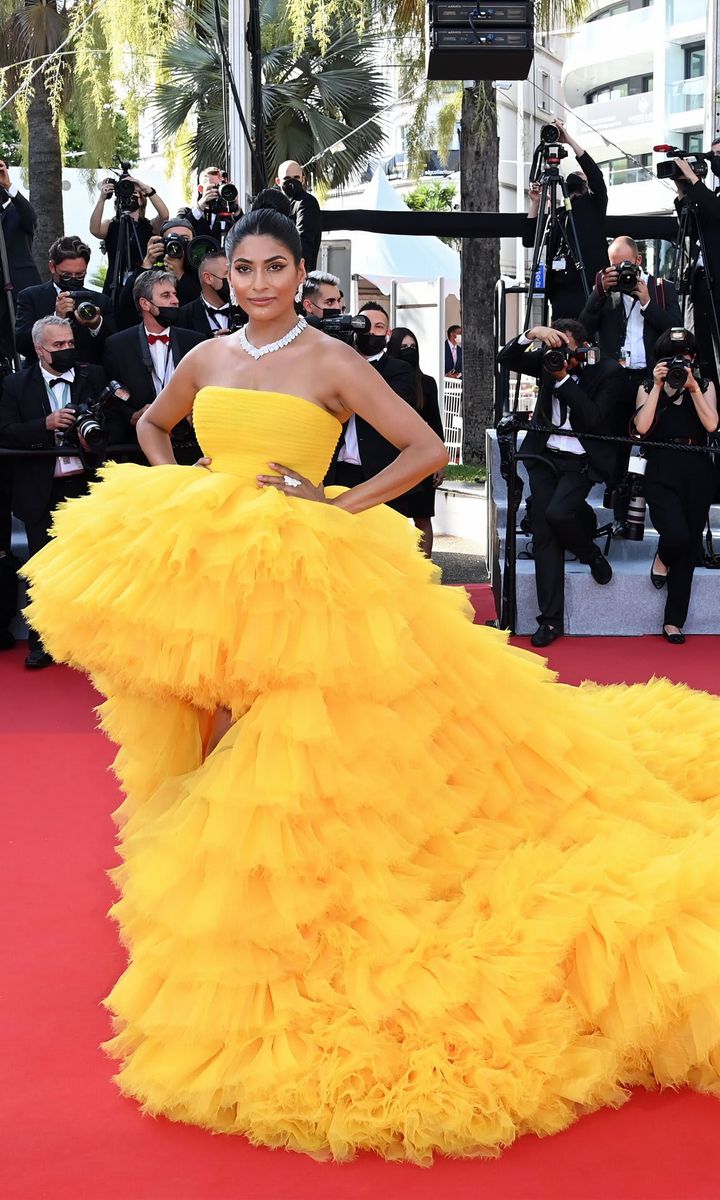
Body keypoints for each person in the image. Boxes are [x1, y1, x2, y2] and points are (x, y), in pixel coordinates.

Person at [21, 202, 720, 1164]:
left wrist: (337, 504)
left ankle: (284, 907)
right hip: (211, 565)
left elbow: (427, 449)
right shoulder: (207, 355)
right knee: (208, 717)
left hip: (307, 572)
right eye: (245, 268)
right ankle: (214, 908)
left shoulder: (334, 361)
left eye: (276, 268)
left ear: (300, 273)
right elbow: (151, 421)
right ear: (224, 273)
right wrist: (178, 482)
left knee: (291, 736)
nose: (259, 283)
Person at [0, 315, 122, 667]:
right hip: (41, 490)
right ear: (39, 350)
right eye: (58, 346)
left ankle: (99, 644)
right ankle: (44, 642)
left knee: (97, 569)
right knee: (44, 572)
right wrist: (45, 425)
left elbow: (115, 424)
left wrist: (93, 434)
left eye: (70, 343)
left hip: (87, 487)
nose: (67, 350)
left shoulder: (93, 376)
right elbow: (6, 430)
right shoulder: (15, 385)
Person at [498, 318, 625, 647]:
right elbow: (506, 359)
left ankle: (589, 551)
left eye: (564, 349)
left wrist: (565, 379)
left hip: (581, 461)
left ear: (582, 348)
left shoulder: (606, 372)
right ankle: (550, 621)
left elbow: (594, 418)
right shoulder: (546, 361)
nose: (557, 355)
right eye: (552, 347)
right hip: (544, 456)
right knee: (544, 535)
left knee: (558, 515)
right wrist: (531, 334)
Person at [579, 236, 682, 530]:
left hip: (651, 380)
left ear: (638, 261)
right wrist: (599, 291)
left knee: (654, 445)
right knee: (616, 447)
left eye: (624, 264)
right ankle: (620, 515)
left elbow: (675, 331)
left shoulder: (662, 290)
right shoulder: (606, 293)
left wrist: (646, 301)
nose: (619, 270)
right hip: (616, 380)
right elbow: (583, 328)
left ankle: (660, 513)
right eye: (612, 265)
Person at [633, 328, 718, 643]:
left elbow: (711, 424)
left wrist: (693, 387)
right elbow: (641, 428)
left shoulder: (705, 385)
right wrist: (657, 385)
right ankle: (663, 558)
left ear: (694, 359)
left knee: (691, 542)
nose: (679, 364)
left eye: (685, 358)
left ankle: (673, 622)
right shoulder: (646, 385)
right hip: (661, 465)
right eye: (672, 360)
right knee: (676, 533)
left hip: (697, 466)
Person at [102, 271, 205, 463]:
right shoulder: (117, 345)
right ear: (145, 304)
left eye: (174, 294)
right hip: (138, 452)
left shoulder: (195, 341)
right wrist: (133, 416)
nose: (175, 300)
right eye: (166, 295)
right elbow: (112, 394)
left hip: (190, 449)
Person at [324, 301, 417, 489]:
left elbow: (387, 410)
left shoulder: (399, 370)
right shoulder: (334, 365)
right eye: (364, 324)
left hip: (377, 472)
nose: (371, 332)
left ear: (388, 334)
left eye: (379, 327)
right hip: (333, 468)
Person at [523, 118, 608, 319]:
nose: (576, 180)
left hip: (587, 289)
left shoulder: (593, 207)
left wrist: (568, 140)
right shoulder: (558, 214)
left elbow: (596, 176)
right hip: (560, 295)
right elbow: (529, 240)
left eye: (581, 179)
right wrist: (536, 204)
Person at [386, 326, 446, 556]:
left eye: (413, 347)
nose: (409, 351)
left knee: (422, 517)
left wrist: (439, 463)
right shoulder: (383, 382)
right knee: (393, 518)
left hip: (421, 460)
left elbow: (435, 423)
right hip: (392, 458)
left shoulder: (427, 383)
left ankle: (425, 570)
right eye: (403, 347)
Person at [15, 235, 116, 365]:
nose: (73, 279)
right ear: (52, 267)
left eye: (80, 274)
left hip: (89, 377)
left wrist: (96, 325)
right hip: (43, 375)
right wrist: (56, 318)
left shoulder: (101, 301)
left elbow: (115, 347)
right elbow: (22, 345)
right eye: (66, 275)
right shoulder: (30, 297)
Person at [673, 145, 720, 386]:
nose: (714, 159)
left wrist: (694, 179)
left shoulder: (711, 197)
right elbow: (690, 227)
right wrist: (682, 190)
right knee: (704, 351)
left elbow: (715, 210)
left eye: (718, 155)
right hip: (702, 281)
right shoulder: (710, 194)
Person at [89, 174, 169, 297]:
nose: (130, 197)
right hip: (115, 283)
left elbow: (164, 215)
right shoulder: (112, 224)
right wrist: (102, 198)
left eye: (135, 194)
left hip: (142, 282)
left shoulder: (149, 226)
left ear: (142, 200)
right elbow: (95, 230)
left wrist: (145, 188)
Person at [0, 159, 41, 362]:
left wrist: (8, 186)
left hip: (20, 286)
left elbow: (31, 218)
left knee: (29, 339)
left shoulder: (18, 210)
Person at [275, 159, 322, 272]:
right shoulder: (276, 203)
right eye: (287, 178)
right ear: (278, 181)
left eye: (296, 177)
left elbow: (304, 240)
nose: (292, 182)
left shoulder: (306, 202)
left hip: (297, 273)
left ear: (303, 179)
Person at [175, 251, 234, 338]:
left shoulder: (248, 311)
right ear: (208, 278)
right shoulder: (182, 317)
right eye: (227, 274)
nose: (233, 279)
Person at [176, 165, 241, 240]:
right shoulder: (185, 212)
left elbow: (250, 232)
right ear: (201, 189)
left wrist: (236, 209)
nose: (219, 193)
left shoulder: (231, 217)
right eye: (215, 188)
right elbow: (178, 231)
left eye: (223, 188)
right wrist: (200, 207)